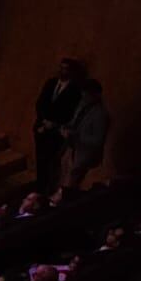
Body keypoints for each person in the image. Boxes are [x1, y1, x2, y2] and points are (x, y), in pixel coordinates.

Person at [34, 56, 85, 195]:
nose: (62, 71)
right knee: (40, 159)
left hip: (56, 132)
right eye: (61, 68)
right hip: (42, 127)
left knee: (52, 161)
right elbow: (40, 102)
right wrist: (43, 121)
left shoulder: (75, 91)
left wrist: (54, 124)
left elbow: (69, 112)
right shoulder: (51, 83)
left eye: (66, 69)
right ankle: (39, 186)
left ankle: (46, 190)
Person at [62, 78, 110, 191]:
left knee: (71, 183)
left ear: (96, 95)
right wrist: (66, 128)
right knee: (65, 177)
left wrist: (76, 136)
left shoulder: (100, 114)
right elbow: (74, 122)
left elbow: (98, 141)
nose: (84, 97)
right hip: (72, 149)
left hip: (85, 155)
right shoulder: (82, 106)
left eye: (87, 95)